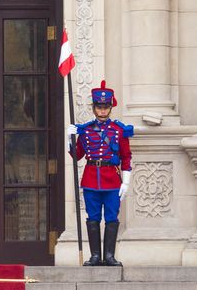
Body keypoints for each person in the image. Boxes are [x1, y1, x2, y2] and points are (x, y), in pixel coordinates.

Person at [67, 81, 133, 267]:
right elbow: (77, 155)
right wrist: (69, 138)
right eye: (99, 107)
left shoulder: (120, 130)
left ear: (110, 108)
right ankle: (95, 256)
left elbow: (126, 157)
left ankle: (110, 256)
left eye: (105, 107)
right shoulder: (86, 130)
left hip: (112, 180)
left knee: (112, 217)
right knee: (93, 217)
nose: (102, 111)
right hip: (90, 179)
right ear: (94, 108)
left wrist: (126, 182)